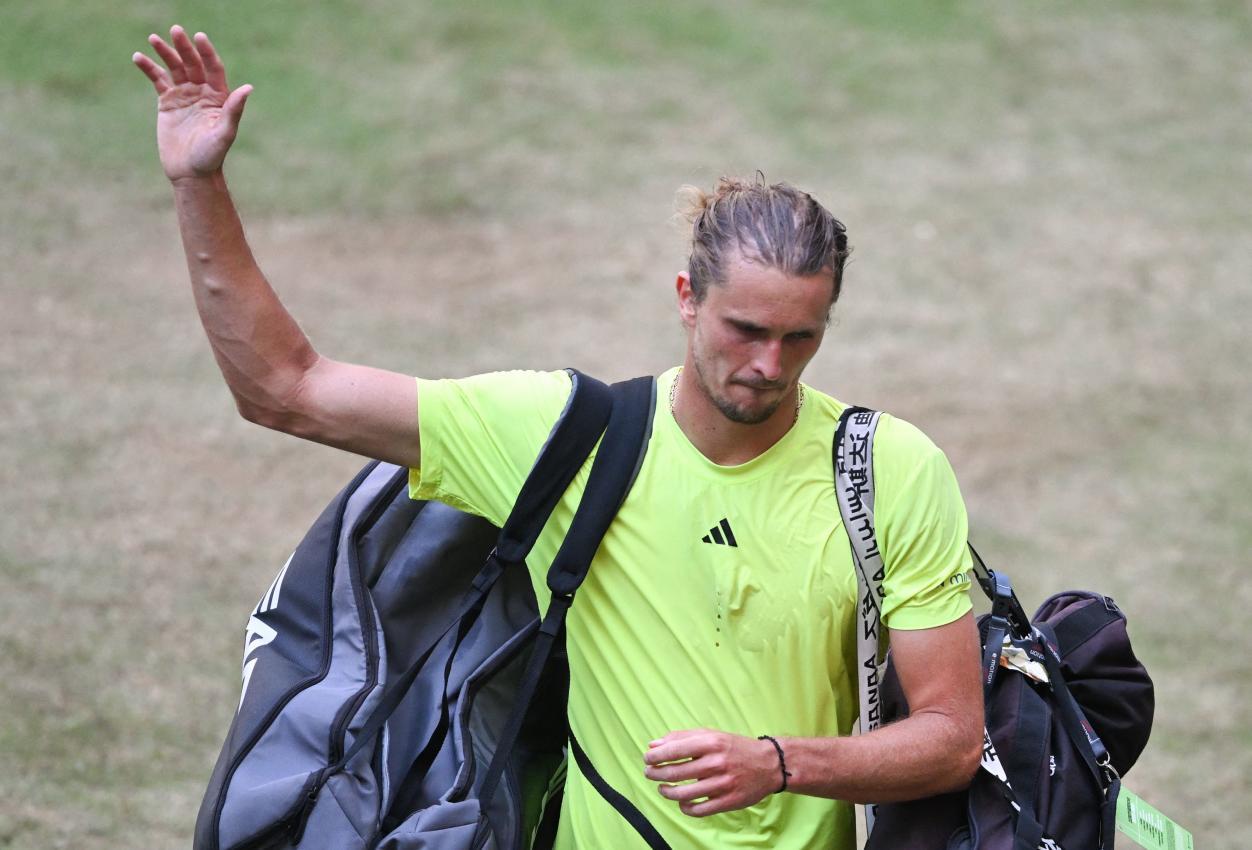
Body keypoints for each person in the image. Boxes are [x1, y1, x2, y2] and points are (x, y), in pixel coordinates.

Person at [134, 26, 984, 849]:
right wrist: (197, 185)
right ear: (687, 297)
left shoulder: (888, 473)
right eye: (745, 329)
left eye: (800, 338)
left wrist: (779, 763)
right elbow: (287, 389)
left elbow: (950, 739)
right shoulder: (559, 437)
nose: (768, 364)